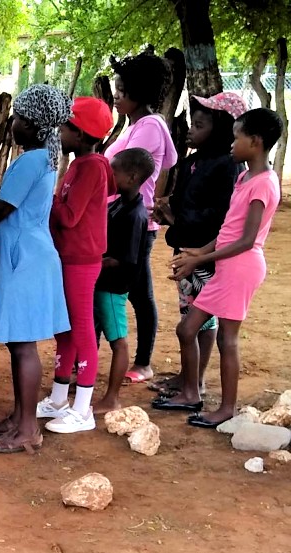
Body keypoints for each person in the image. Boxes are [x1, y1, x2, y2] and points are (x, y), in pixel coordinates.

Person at [158, 108, 283, 428]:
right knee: (188, 329)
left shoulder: (264, 184)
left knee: (227, 338)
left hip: (240, 266)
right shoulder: (245, 177)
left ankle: (226, 408)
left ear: (255, 142)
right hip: (227, 263)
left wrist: (200, 259)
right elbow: (229, 230)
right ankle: (190, 393)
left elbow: (247, 240)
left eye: (237, 137)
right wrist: (200, 250)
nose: (232, 143)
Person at [0, 84, 71, 455]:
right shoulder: (37, 157)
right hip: (27, 251)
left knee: (22, 345)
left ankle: (28, 428)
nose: (12, 123)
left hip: (24, 256)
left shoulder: (32, 159)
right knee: (20, 343)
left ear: (31, 124)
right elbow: (3, 195)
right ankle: (20, 417)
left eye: (17, 117)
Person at [152, 92, 245, 398]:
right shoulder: (196, 161)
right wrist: (168, 211)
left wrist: (179, 215)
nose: (191, 129)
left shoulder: (225, 166)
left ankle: (196, 381)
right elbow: (187, 200)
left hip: (205, 251)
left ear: (218, 130)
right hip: (187, 246)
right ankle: (188, 376)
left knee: (200, 319)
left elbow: (220, 214)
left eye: (200, 125)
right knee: (189, 313)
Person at [40, 97, 116, 434]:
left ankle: (83, 410)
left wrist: (48, 199)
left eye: (66, 128)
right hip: (68, 257)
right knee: (66, 330)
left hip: (81, 260)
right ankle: (58, 399)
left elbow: (69, 217)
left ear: (82, 134)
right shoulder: (77, 164)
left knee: (83, 331)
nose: (60, 133)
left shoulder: (92, 167)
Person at [103, 50, 178, 384]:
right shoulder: (140, 124)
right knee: (131, 289)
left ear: (138, 93)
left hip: (133, 222)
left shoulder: (148, 126)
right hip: (119, 217)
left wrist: (151, 197)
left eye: (122, 92)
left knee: (139, 292)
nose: (117, 97)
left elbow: (152, 164)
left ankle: (144, 361)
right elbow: (169, 160)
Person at [93, 149, 153, 413]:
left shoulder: (135, 215)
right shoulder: (118, 204)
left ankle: (112, 398)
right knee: (93, 333)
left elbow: (123, 259)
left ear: (131, 177)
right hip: (102, 282)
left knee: (118, 341)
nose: (109, 175)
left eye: (113, 171)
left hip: (112, 287)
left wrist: (92, 262)